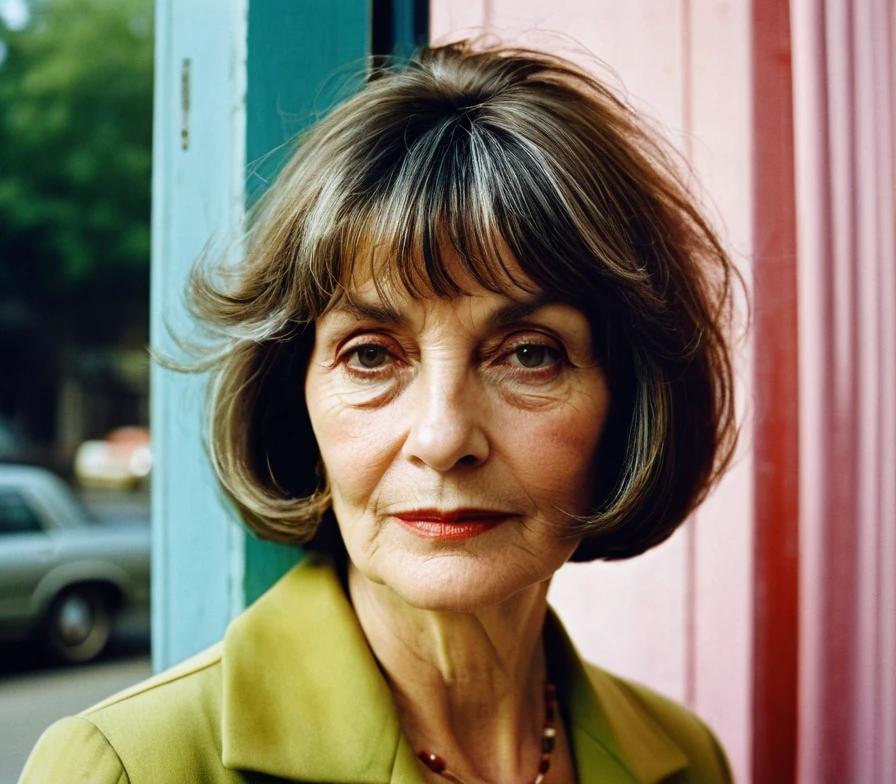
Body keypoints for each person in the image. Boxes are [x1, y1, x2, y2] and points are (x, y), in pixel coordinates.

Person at [20, 38, 738, 783]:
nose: (441, 437)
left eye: (529, 353)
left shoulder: (689, 758)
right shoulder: (126, 768)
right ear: (295, 397)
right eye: (370, 354)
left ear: (629, 402)